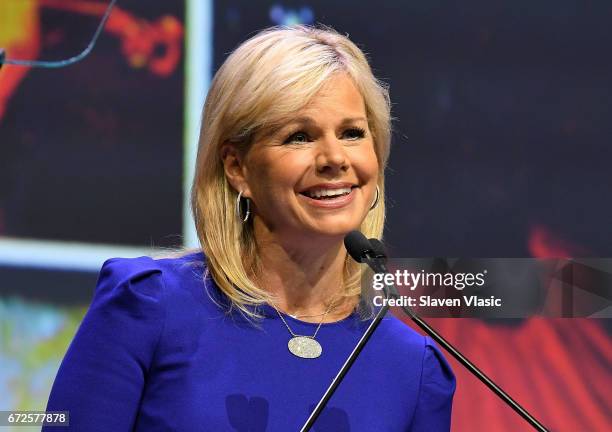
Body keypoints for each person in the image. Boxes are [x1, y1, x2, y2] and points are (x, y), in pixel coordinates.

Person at [44, 24, 455, 431]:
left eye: (351, 133)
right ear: (237, 168)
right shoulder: (148, 307)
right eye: (298, 136)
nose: (334, 158)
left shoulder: (412, 368)